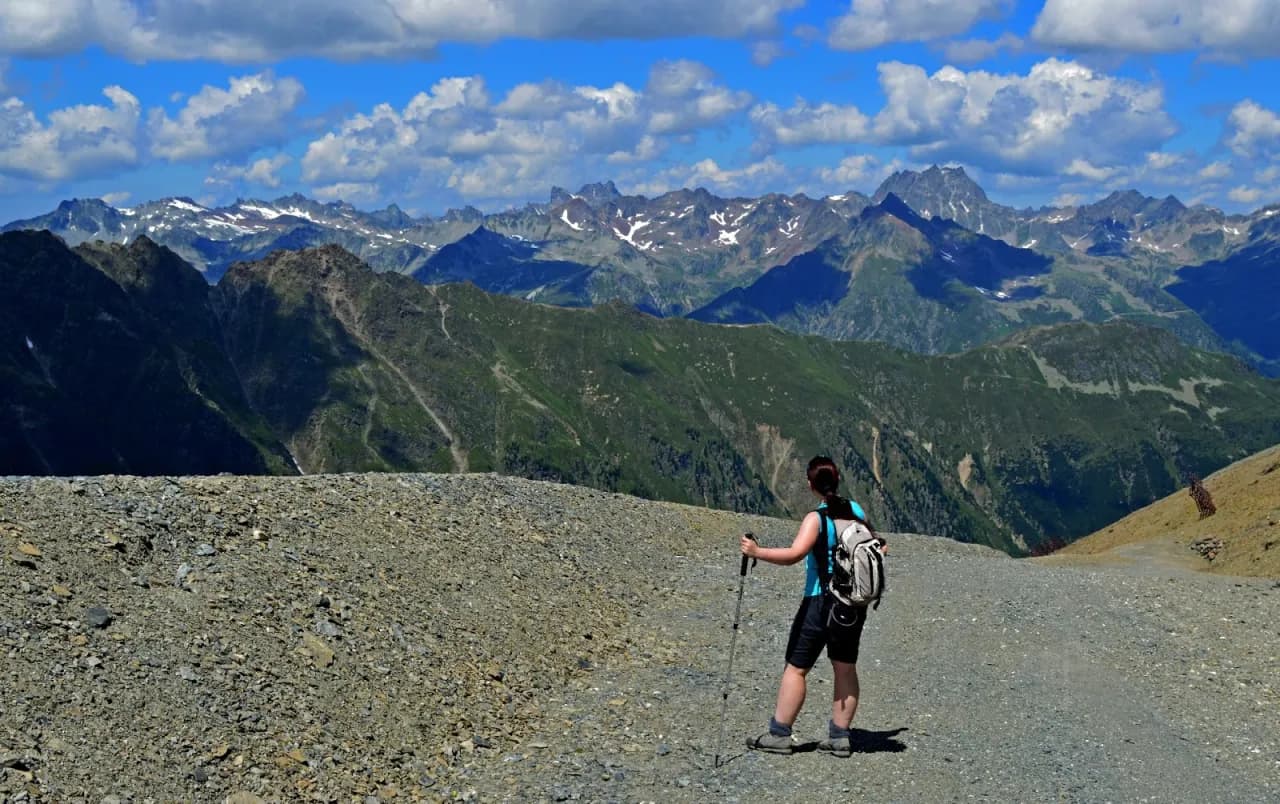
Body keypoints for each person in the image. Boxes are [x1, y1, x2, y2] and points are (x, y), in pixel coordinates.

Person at [740, 455, 881, 758]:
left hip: (819, 602)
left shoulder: (815, 519)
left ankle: (780, 734)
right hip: (852, 604)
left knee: (796, 668)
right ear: (837, 480)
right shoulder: (855, 511)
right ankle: (840, 737)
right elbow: (879, 546)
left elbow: (794, 555)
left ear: (810, 484)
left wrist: (757, 551)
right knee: (844, 668)